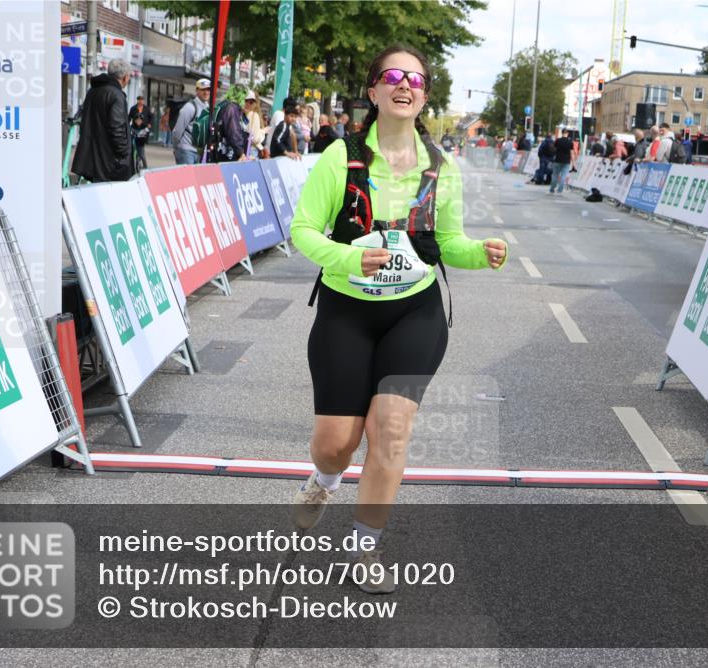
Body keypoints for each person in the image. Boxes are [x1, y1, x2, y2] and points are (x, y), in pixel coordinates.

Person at [289, 45, 508, 594]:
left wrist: (480, 252)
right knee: (337, 441)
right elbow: (303, 231)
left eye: (415, 78)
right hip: (346, 310)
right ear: (373, 91)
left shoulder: (441, 166)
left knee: (390, 431)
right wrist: (345, 256)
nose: (404, 84)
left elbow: (448, 242)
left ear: (425, 94)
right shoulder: (340, 158)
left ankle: (364, 546)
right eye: (392, 76)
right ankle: (324, 479)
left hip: (415, 310)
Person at [71, 58, 132, 183]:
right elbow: (117, 128)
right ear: (125, 77)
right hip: (110, 163)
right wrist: (125, 155)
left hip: (92, 159)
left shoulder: (93, 91)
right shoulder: (117, 95)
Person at [172, 78, 211, 165]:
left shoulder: (208, 108)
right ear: (197, 90)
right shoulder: (189, 107)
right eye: (203, 89)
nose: (206, 92)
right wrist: (175, 147)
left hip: (199, 153)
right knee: (186, 178)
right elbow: (177, 131)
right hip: (186, 151)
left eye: (208, 89)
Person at [128, 95, 153, 170]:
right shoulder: (133, 108)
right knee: (132, 146)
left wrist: (149, 124)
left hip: (143, 130)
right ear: (137, 100)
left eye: (142, 100)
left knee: (141, 149)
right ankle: (133, 163)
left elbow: (151, 117)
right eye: (139, 100)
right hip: (134, 129)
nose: (140, 101)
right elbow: (129, 118)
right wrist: (127, 126)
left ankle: (145, 166)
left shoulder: (146, 109)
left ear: (143, 101)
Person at [242, 90, 267, 158]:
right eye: (246, 101)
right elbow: (255, 139)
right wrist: (263, 132)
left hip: (242, 150)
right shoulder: (255, 115)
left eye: (251, 102)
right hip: (251, 150)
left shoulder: (240, 114)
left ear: (255, 103)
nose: (247, 103)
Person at [549, 128, 574, 194]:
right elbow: (571, 153)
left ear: (562, 133)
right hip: (566, 162)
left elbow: (554, 149)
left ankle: (552, 188)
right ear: (567, 133)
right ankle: (560, 190)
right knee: (563, 176)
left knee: (555, 175)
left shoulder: (558, 140)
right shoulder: (570, 142)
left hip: (557, 160)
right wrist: (573, 163)